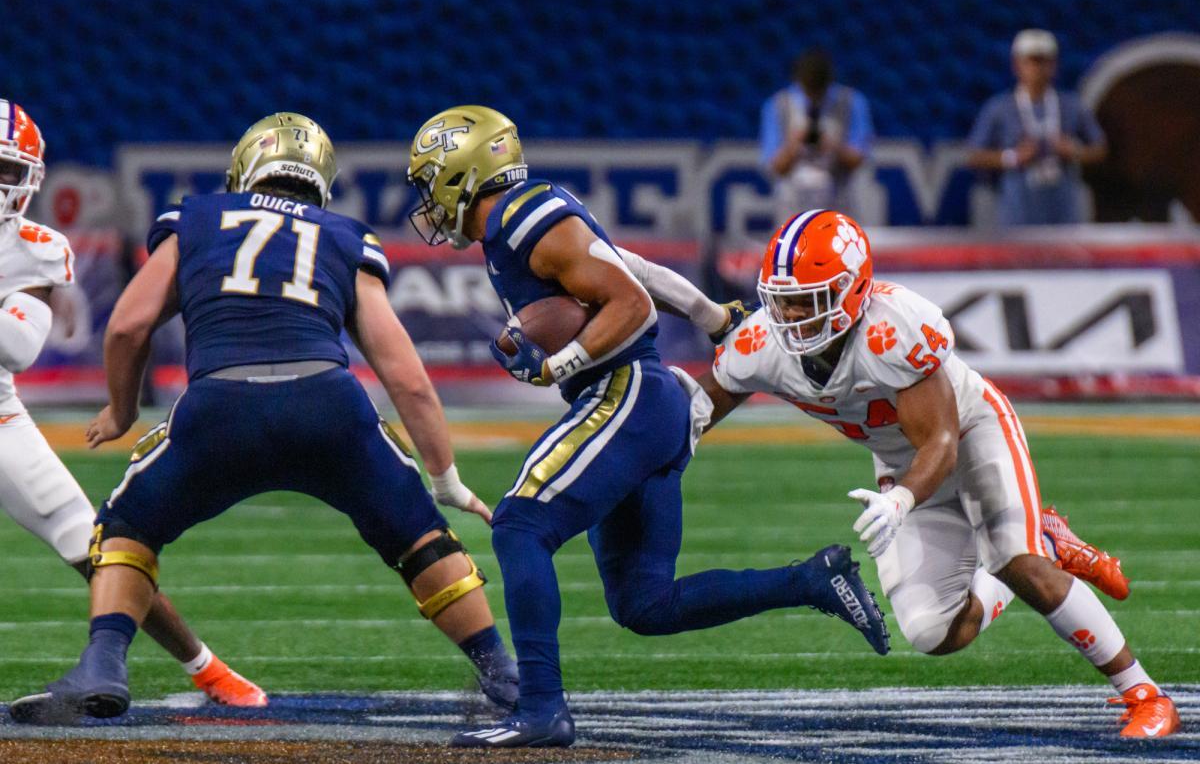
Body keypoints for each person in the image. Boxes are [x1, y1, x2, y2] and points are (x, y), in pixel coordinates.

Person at [405, 105, 891, 749]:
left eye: (431, 181)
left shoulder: (523, 221)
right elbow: (636, 269)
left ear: (464, 173)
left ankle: (541, 709)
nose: (428, 201)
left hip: (625, 393)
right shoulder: (531, 215)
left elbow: (631, 304)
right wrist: (714, 314)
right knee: (645, 605)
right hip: (648, 406)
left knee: (522, 523)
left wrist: (560, 364)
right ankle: (811, 579)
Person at [9, 112, 517, 724]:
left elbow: (127, 324)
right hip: (327, 405)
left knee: (124, 530)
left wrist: (121, 410)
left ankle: (103, 665)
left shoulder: (195, 218)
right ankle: (504, 674)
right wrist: (444, 479)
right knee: (421, 540)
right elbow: (406, 376)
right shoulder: (344, 235)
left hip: (220, 406)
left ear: (244, 168)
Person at [624, 209, 1174, 739]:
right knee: (932, 632)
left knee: (1016, 557)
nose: (791, 319)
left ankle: (1145, 694)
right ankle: (1044, 544)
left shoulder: (895, 329)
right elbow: (694, 415)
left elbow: (941, 441)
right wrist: (640, 450)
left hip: (971, 432)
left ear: (853, 290)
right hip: (901, 464)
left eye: (808, 302)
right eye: (783, 303)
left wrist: (902, 500)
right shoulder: (761, 344)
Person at [0, 100, 267, 710]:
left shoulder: (35, 246)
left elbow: (16, 346)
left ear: (30, 178)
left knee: (95, 546)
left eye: (5, 170)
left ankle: (208, 670)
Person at [967, 29, 1107, 226]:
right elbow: (974, 155)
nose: (1039, 68)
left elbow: (1100, 148)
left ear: (1055, 65)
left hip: (1062, 210)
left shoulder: (1071, 105)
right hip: (1017, 211)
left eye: (1045, 61)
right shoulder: (999, 108)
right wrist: (1013, 157)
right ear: (1017, 65)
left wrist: (1074, 150)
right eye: (1032, 61)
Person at [760, 48, 874, 224]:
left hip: (838, 202)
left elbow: (858, 159)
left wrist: (833, 146)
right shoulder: (778, 106)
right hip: (792, 206)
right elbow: (775, 166)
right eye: (809, 88)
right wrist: (794, 145)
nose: (814, 96)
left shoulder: (851, 102)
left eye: (818, 90)